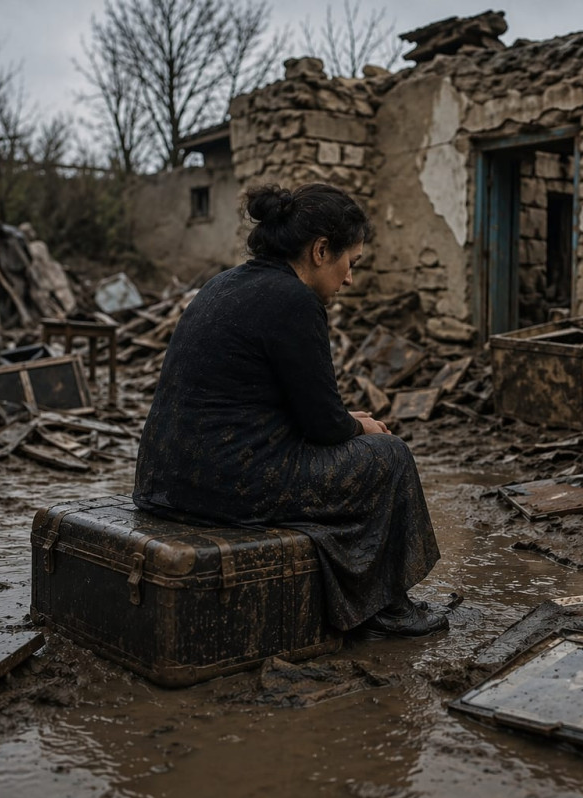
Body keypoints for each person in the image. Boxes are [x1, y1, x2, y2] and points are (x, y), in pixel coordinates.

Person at [132, 183, 447, 638]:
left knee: (360, 449)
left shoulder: (225, 283)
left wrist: (346, 423)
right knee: (390, 456)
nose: (350, 279)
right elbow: (322, 425)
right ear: (321, 250)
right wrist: (359, 426)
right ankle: (387, 605)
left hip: (163, 481)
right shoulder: (296, 301)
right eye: (350, 263)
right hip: (223, 486)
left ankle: (357, 588)